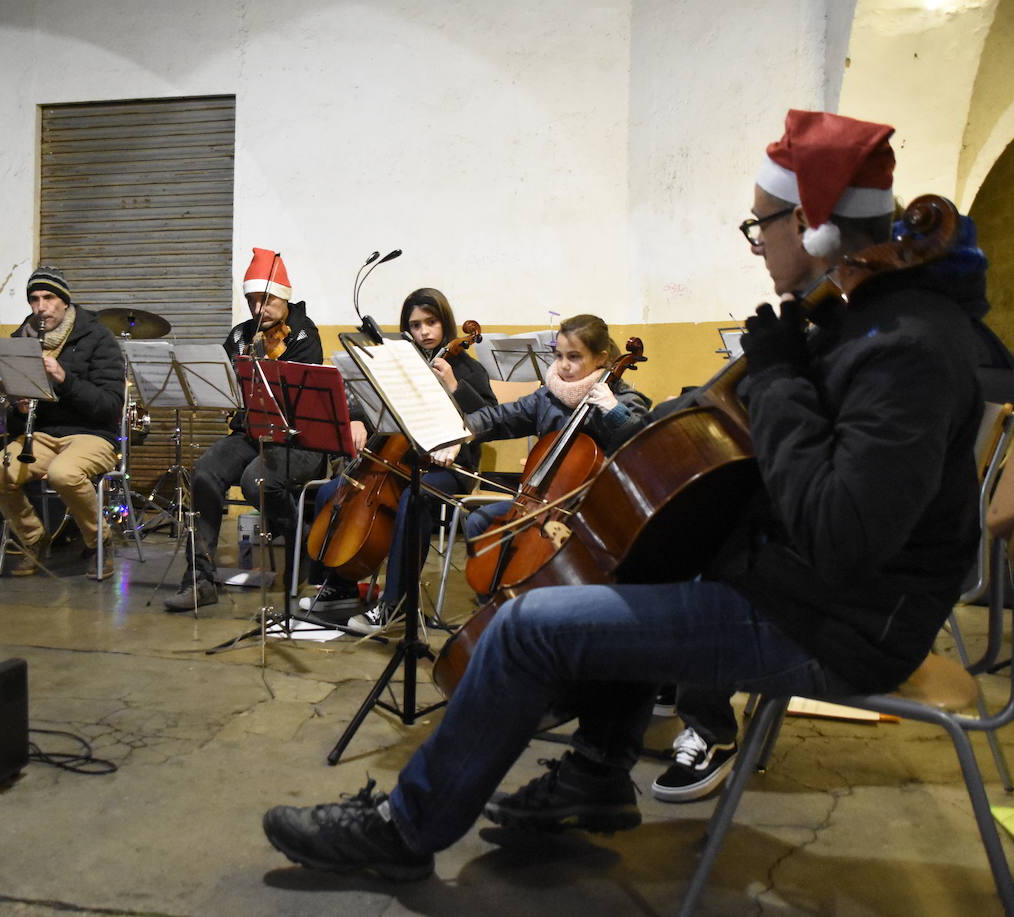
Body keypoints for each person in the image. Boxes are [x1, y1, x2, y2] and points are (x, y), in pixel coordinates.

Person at [262, 109, 988, 881]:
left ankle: (404, 830)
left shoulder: (901, 346)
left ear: (810, 227)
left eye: (760, 224)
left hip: (833, 626)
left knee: (527, 625)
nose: (757, 243)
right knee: (647, 554)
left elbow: (842, 530)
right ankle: (598, 773)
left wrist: (776, 378)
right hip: (803, 594)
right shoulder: (862, 324)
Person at [299, 288, 497, 633]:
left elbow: (490, 418)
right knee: (334, 489)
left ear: (445, 322)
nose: (424, 332)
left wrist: (453, 385)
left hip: (450, 467)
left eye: (431, 322)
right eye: (415, 325)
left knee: (415, 497)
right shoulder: (404, 364)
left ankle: (396, 604)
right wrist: (357, 417)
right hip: (398, 459)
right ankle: (340, 586)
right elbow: (368, 399)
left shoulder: (467, 366)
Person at [164, 248, 330, 611]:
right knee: (204, 472)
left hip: (298, 439)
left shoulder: (304, 335)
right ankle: (200, 578)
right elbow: (225, 379)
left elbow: (298, 400)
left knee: (259, 479)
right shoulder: (241, 335)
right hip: (251, 432)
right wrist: (222, 393)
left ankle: (300, 539)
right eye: (252, 301)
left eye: (266, 300)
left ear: (283, 296)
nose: (258, 310)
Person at [455, 312, 652, 577]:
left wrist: (613, 410)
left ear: (601, 358)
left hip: (591, 514)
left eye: (574, 357)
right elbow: (500, 417)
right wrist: (459, 434)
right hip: (540, 505)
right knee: (479, 521)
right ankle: (497, 603)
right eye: (559, 356)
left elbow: (641, 444)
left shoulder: (622, 399)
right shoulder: (549, 396)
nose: (564, 365)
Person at [0, 266, 125, 576]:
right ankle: (33, 538)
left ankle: (99, 542)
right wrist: (18, 409)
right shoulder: (21, 340)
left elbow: (110, 406)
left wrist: (64, 378)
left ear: (64, 300)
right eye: (34, 299)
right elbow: (14, 418)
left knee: (65, 474)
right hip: (42, 435)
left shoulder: (98, 337)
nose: (41, 307)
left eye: (49, 298)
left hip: (93, 433)